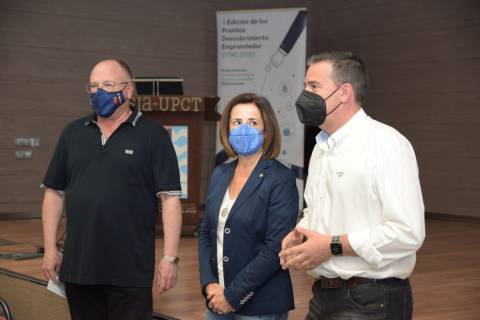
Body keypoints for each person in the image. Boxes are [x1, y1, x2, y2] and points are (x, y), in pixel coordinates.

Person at [279, 51, 425, 320]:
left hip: (371, 300)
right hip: (323, 295)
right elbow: (319, 209)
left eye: (313, 86)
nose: (304, 95)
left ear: (344, 92)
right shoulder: (322, 148)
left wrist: (331, 245)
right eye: (304, 86)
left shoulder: (385, 144)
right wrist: (301, 234)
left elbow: (407, 233)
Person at [41, 59, 182, 320]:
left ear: (128, 90)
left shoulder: (154, 136)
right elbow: (53, 193)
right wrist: (50, 248)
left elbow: (170, 200)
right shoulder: (73, 133)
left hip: (130, 271)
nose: (98, 92)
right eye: (93, 86)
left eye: (107, 85)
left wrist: (170, 258)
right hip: (79, 269)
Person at [198, 93, 299, 320]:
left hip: (260, 304)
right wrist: (209, 284)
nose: (244, 128)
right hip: (217, 299)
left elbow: (275, 248)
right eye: (237, 122)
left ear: (266, 131)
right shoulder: (220, 173)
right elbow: (206, 232)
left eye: (253, 122)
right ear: (228, 128)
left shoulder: (280, 179)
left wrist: (232, 296)